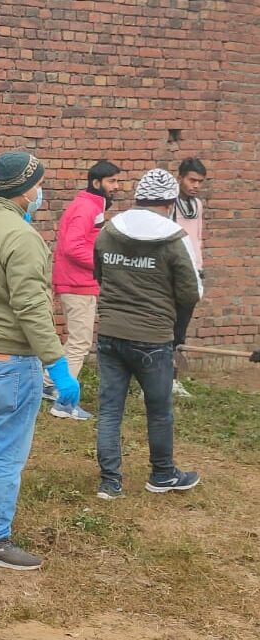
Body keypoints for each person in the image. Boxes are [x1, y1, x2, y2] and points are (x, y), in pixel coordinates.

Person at [0, 151, 79, 571]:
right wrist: (57, 364)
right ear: (26, 190)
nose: (41, 192)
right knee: (5, 453)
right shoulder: (22, 238)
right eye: (38, 184)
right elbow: (31, 308)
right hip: (14, 361)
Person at [93, 169, 202, 500]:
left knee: (110, 409)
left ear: (138, 198)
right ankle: (162, 474)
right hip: (153, 337)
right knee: (158, 408)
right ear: (170, 203)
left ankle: (110, 483)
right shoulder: (175, 238)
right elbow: (191, 292)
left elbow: (100, 273)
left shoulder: (109, 231)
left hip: (110, 333)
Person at [46, 160, 123, 420]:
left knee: (76, 340)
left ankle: (48, 384)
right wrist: (103, 264)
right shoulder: (87, 207)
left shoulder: (92, 205)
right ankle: (63, 403)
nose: (117, 186)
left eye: (117, 181)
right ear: (96, 182)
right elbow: (72, 246)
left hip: (80, 282)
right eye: (112, 181)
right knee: (80, 342)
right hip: (78, 283)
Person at [170, 157, 208, 398]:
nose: (195, 185)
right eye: (191, 180)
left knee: (181, 329)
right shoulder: (170, 205)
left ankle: (173, 379)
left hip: (193, 271)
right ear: (180, 178)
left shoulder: (198, 205)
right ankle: (157, 379)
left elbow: (198, 237)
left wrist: (200, 266)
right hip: (173, 272)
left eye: (199, 181)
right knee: (166, 327)